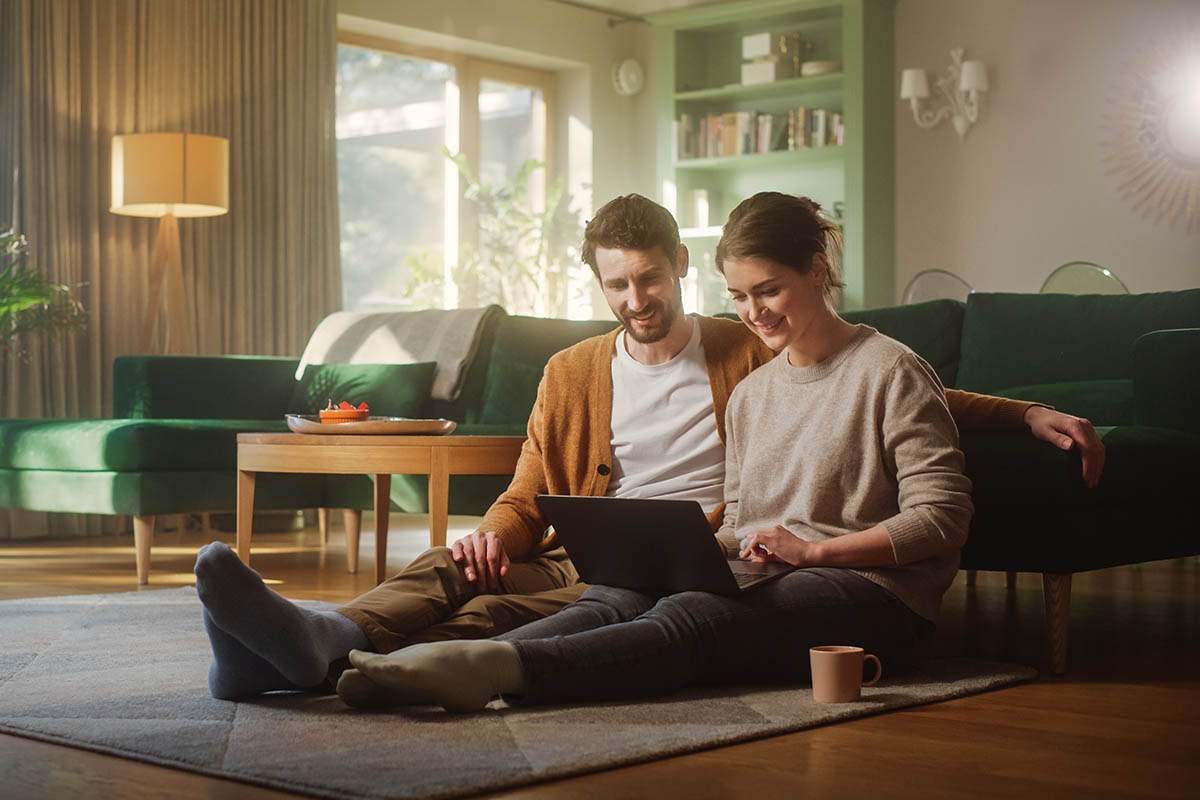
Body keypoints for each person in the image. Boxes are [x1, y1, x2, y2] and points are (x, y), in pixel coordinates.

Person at [194, 193, 1104, 700]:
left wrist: (1022, 411)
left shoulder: (749, 353)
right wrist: (494, 537)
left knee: (549, 617)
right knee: (454, 568)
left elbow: (893, 391)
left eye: (651, 279)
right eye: (618, 286)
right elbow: (526, 493)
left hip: (702, 556)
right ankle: (318, 640)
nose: (637, 299)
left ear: (677, 269)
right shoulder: (578, 373)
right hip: (598, 552)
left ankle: (375, 671)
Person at [332, 191, 976, 711]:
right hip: (778, 571)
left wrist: (812, 551)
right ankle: (419, 663)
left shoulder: (890, 369)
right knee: (618, 597)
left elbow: (942, 518)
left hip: (873, 590)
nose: (755, 313)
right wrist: (695, 551)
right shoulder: (753, 393)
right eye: (741, 298)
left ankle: (501, 670)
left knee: (690, 614)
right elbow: (747, 516)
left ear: (817, 270)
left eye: (769, 291)